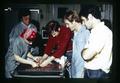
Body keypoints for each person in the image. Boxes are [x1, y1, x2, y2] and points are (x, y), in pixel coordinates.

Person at [79, 5, 113, 78]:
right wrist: (85, 52)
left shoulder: (101, 31)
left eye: (83, 20)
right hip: (93, 71)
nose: (83, 24)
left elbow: (86, 55)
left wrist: (83, 52)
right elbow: (86, 53)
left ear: (90, 16)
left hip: (97, 73)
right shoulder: (95, 31)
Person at [63, 10, 90, 78]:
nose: (66, 26)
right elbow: (76, 52)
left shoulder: (86, 32)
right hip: (74, 67)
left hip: (81, 70)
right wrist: (70, 60)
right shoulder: (75, 33)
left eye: (67, 23)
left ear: (74, 21)